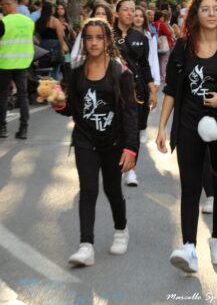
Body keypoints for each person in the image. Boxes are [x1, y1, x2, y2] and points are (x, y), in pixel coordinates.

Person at [156, 0, 217, 273]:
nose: (211, 13)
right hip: (189, 124)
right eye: (205, 9)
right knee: (190, 187)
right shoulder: (183, 47)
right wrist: (161, 128)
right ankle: (189, 247)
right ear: (195, 13)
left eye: (216, 9)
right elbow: (170, 90)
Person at [51, 18, 138, 266]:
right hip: (85, 139)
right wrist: (59, 104)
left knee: (112, 190)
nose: (93, 43)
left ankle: (121, 230)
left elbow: (130, 114)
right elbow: (72, 109)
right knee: (88, 190)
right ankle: (86, 246)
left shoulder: (121, 73)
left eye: (99, 37)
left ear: (108, 40)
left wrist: (131, 148)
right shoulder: (77, 72)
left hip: (113, 142)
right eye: (89, 37)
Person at [114, 0, 157, 186]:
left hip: (137, 91)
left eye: (133, 10)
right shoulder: (107, 35)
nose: (130, 13)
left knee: (134, 129)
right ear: (116, 13)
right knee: (116, 130)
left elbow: (145, 65)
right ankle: (115, 166)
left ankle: (131, 170)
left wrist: (152, 89)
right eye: (126, 10)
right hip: (114, 90)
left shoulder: (141, 38)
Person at [0, 0, 34, 139]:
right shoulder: (29, 21)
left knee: (2, 95)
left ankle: (2, 128)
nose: (2, 8)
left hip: (5, 63)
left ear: (9, 5)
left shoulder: (3, 22)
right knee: (23, 95)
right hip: (23, 63)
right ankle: (24, 129)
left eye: (3, 5)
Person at [133, 5, 161, 102]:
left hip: (146, 76)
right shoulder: (125, 36)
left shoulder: (150, 36)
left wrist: (156, 79)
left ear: (144, 19)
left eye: (141, 16)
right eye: (135, 16)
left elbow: (154, 58)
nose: (138, 18)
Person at [35, 1, 68, 79]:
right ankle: (55, 89)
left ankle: (44, 89)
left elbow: (36, 37)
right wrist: (61, 48)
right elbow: (60, 36)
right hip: (55, 48)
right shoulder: (54, 21)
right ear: (51, 10)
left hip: (42, 49)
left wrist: (40, 43)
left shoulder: (38, 22)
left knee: (43, 73)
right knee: (55, 72)